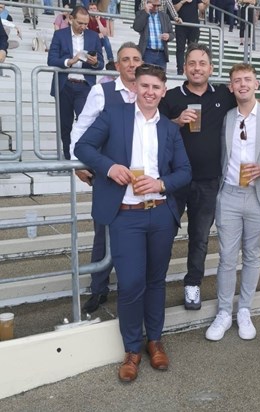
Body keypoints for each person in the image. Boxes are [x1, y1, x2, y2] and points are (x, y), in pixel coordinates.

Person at [74, 64, 192, 382]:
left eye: (156, 87)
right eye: (145, 86)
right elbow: (82, 146)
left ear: (163, 91)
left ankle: (154, 340)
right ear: (135, 87)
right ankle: (132, 349)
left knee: (156, 281)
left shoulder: (169, 128)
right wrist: (109, 166)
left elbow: (184, 171)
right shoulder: (115, 115)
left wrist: (161, 184)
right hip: (125, 215)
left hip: (160, 214)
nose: (150, 92)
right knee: (130, 285)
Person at [159, 43, 260, 311]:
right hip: (173, 180)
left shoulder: (223, 94)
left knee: (200, 237)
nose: (197, 68)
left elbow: (250, 100)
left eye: (202, 63)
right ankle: (155, 284)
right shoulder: (170, 97)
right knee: (163, 234)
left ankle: (192, 283)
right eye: (192, 63)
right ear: (184, 68)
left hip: (208, 182)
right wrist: (175, 121)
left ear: (210, 68)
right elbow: (152, 128)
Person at [205, 64, 260, 341]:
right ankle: (223, 312)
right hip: (228, 194)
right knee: (227, 257)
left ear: (256, 85)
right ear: (230, 87)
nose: (242, 84)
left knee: (252, 255)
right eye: (237, 80)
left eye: (247, 80)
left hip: (257, 195)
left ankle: (245, 310)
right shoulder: (226, 117)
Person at [70, 42, 143, 313]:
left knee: (135, 237)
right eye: (126, 59)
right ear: (117, 64)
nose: (132, 64)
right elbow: (81, 127)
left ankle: (130, 288)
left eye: (136, 59)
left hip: (141, 179)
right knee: (103, 235)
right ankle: (98, 288)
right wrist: (77, 163)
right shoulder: (102, 91)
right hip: (109, 175)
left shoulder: (151, 91)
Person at [47, 5, 104, 161]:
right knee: (65, 124)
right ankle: (68, 157)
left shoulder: (93, 36)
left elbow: (101, 64)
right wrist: (69, 61)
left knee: (86, 122)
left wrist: (94, 62)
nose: (83, 27)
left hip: (84, 85)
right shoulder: (59, 35)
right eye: (80, 23)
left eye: (86, 23)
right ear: (71, 19)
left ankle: (85, 155)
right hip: (64, 85)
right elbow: (51, 59)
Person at [133, 0, 175, 70]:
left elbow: (172, 34)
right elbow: (137, 27)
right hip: (147, 52)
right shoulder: (141, 13)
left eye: (158, 5)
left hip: (161, 54)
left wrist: (168, 36)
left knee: (161, 79)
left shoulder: (164, 16)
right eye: (154, 5)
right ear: (148, 4)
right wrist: (145, 12)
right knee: (146, 77)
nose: (156, 8)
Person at [173, 0, 209, 75]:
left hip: (194, 26)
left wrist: (206, 4)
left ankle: (191, 68)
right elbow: (174, 9)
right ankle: (180, 69)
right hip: (181, 25)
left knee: (193, 50)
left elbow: (201, 8)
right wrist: (183, 1)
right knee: (180, 48)